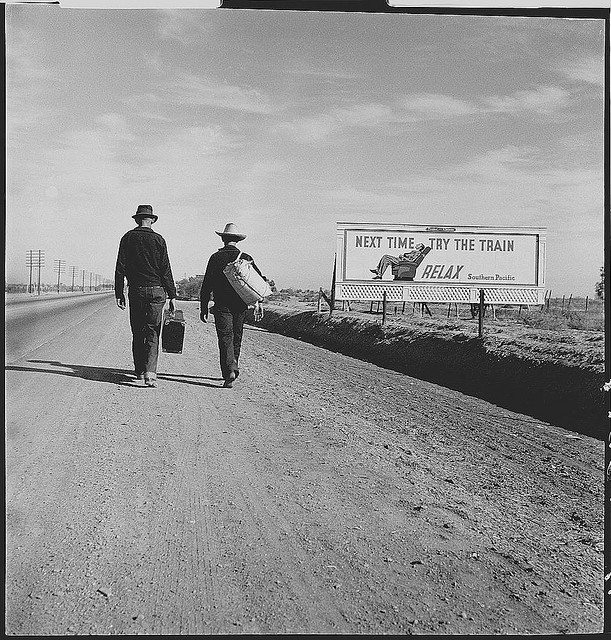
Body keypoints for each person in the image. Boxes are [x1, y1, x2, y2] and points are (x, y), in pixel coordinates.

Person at [200, 223, 268, 388]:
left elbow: (207, 284)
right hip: (240, 306)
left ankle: (229, 369)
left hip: (221, 305)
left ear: (223, 239)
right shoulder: (246, 257)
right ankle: (233, 365)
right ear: (238, 240)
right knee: (236, 337)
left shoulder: (215, 258)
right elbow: (258, 281)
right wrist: (258, 302)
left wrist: (203, 307)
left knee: (225, 338)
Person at [115, 204, 176, 387]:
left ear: (137, 220)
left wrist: (119, 293)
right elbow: (166, 269)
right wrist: (172, 294)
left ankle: (140, 371)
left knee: (137, 331)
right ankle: (150, 373)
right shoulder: (159, 240)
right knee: (152, 332)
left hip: (137, 291)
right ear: (152, 220)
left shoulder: (127, 238)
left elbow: (120, 268)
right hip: (157, 291)